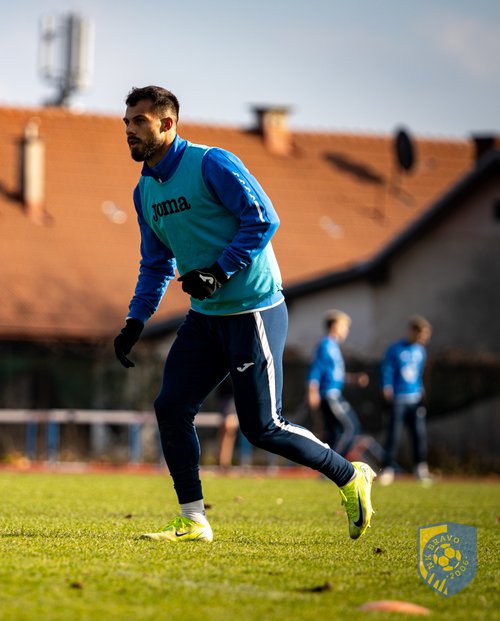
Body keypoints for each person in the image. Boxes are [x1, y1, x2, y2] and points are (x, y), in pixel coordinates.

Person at [112, 85, 375, 542]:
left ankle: (350, 475)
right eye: (126, 122)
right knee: (171, 406)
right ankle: (194, 520)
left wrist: (217, 271)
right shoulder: (144, 192)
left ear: (167, 124)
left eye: (139, 122)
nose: (129, 131)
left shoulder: (212, 163)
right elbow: (157, 264)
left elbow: (263, 219)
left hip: (253, 310)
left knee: (262, 427)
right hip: (205, 316)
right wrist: (136, 321)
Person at [306, 310, 369, 457]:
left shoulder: (334, 346)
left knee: (335, 432)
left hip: (333, 393)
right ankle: (337, 467)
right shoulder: (325, 345)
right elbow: (315, 369)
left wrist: (354, 379)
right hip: (329, 395)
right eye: (344, 327)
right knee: (350, 427)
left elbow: (335, 375)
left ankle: (327, 469)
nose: (346, 331)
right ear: (334, 326)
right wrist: (312, 391)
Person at [379, 316, 433, 486]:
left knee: (419, 434)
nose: (423, 339)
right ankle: (387, 470)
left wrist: (421, 391)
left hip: (415, 399)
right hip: (399, 399)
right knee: (393, 434)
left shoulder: (420, 351)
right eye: (421, 335)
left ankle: (420, 469)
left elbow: (418, 375)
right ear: (413, 331)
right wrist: (387, 387)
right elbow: (387, 369)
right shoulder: (396, 349)